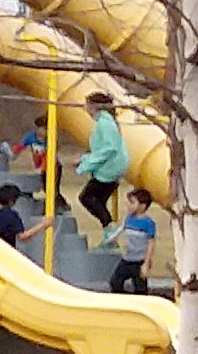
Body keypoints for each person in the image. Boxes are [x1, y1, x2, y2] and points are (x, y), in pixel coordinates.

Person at [0, 184, 54, 336]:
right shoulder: (11, 217)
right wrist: (43, 225)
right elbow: (22, 236)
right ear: (13, 201)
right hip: (4, 257)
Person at [75, 92, 128, 233]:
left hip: (109, 169)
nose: (85, 108)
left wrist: (86, 163)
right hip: (112, 168)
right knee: (98, 202)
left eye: (87, 105)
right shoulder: (106, 121)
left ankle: (110, 226)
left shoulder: (105, 123)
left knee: (86, 197)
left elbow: (109, 148)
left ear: (94, 107)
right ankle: (109, 234)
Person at [12, 115, 69, 212]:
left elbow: (47, 157)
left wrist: (41, 169)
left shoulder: (51, 140)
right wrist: (13, 153)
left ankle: (59, 206)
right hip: (41, 167)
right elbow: (20, 146)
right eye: (41, 128)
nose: (42, 131)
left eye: (46, 129)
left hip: (53, 166)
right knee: (45, 188)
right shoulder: (31, 136)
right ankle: (59, 205)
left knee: (52, 189)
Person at [108, 189, 156, 295]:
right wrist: (112, 238)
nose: (129, 205)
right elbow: (122, 228)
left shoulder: (148, 223)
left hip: (139, 261)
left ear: (143, 205)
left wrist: (146, 263)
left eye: (132, 202)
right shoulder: (129, 218)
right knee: (115, 282)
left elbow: (151, 243)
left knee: (140, 289)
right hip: (127, 258)